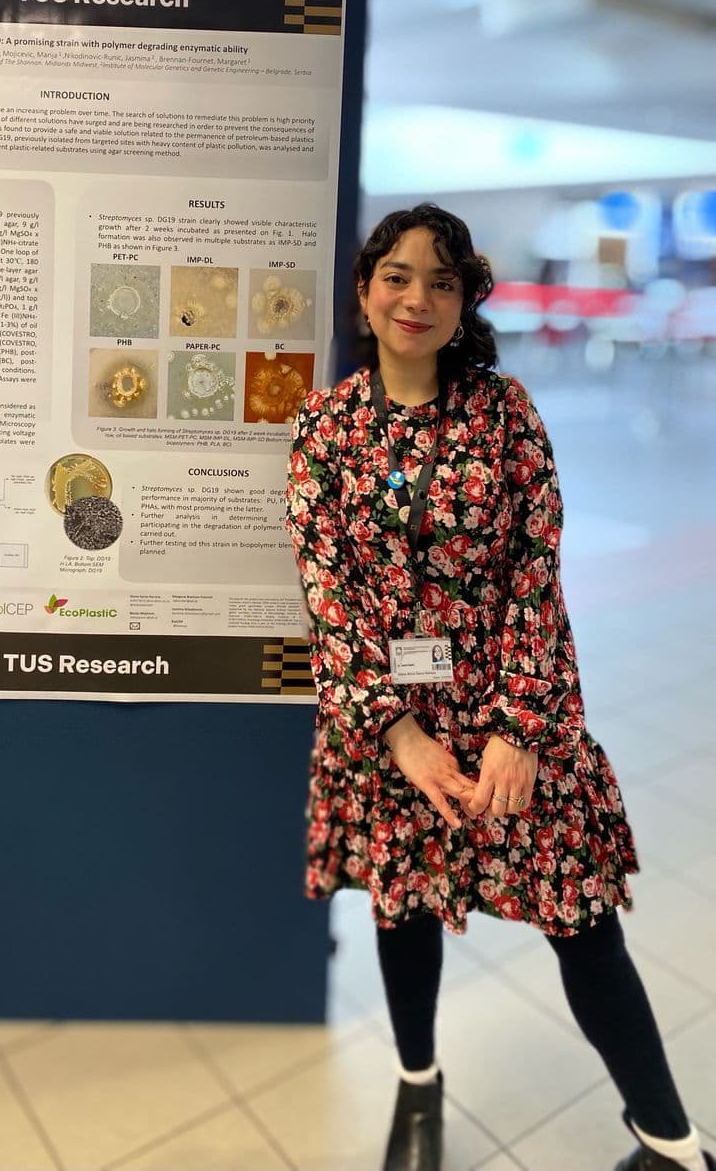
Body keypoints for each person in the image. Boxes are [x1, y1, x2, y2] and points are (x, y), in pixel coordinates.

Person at [285, 204, 713, 1171]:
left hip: (511, 710)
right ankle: (419, 1089)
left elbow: (535, 574)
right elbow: (329, 592)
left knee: (581, 920)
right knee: (404, 906)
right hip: (388, 723)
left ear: (465, 298)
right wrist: (399, 734)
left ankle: (672, 1140)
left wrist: (519, 730)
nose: (417, 298)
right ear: (364, 290)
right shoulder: (325, 427)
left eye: (441, 281)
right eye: (397, 275)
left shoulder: (504, 411)